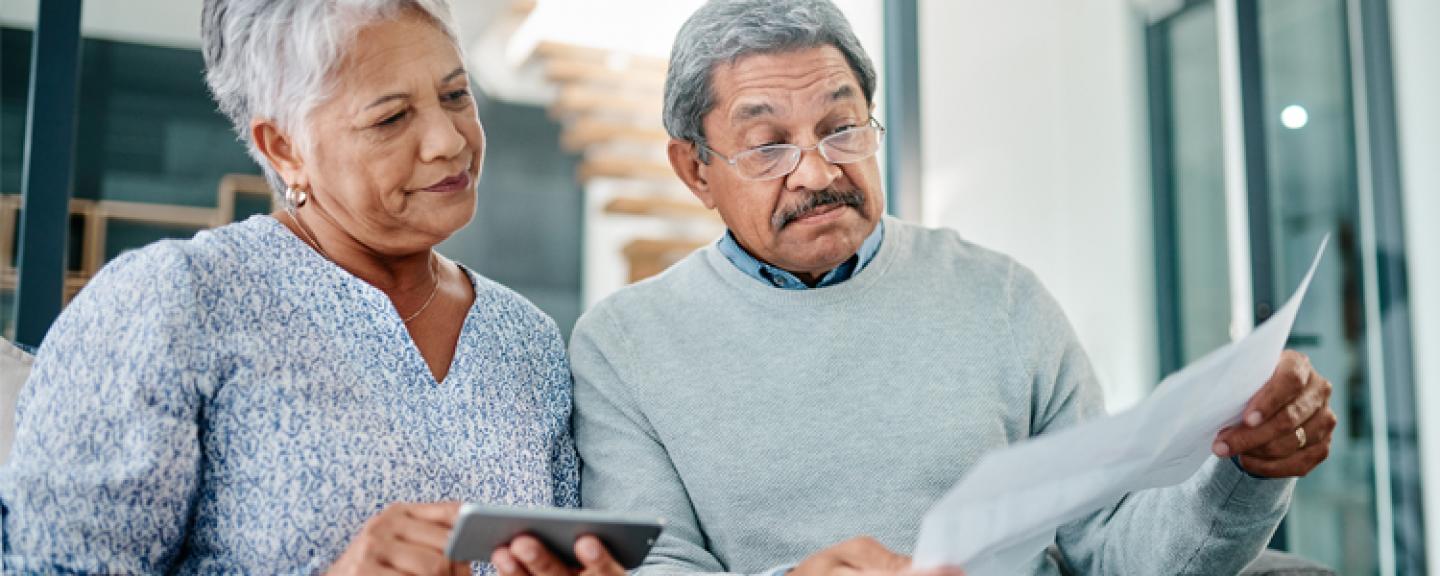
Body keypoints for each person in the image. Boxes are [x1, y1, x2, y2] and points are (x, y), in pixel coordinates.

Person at [542, 1, 1338, 575]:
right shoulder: (623, 344)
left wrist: (1246, 471)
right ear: (694, 171)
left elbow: (1115, 549)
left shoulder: (1000, 298)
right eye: (767, 146)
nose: (819, 172)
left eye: (842, 127)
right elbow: (658, 566)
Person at [0, 2, 624, 574]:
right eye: (391, 117)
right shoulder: (173, 301)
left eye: (456, 94)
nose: (449, 140)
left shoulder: (527, 339)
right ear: (285, 148)